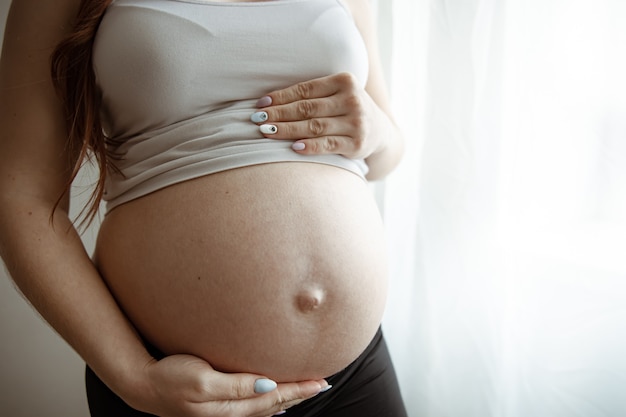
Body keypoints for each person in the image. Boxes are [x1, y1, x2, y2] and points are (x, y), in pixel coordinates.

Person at [0, 0, 407, 416]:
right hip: (177, 387)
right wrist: (135, 377)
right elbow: (21, 196)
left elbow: (386, 151)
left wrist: (377, 130)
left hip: (352, 378)